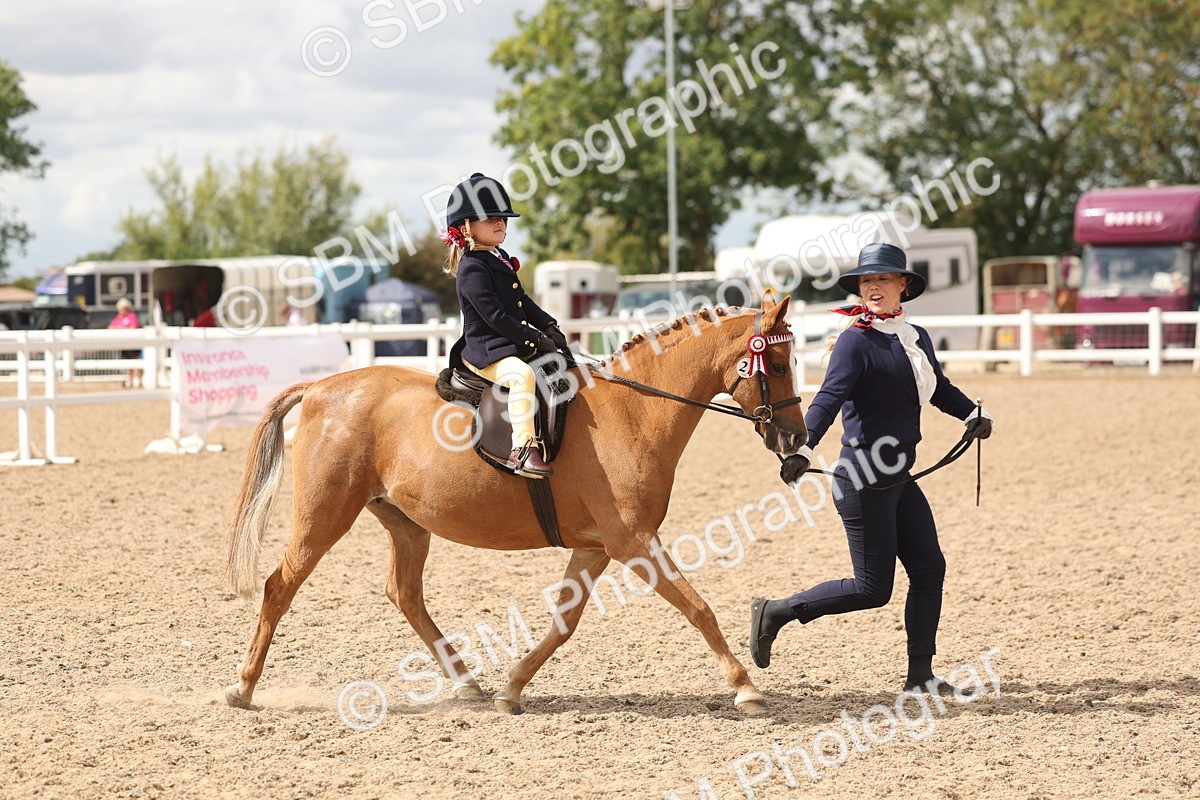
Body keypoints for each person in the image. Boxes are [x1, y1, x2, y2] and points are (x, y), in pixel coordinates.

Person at [749, 242, 995, 694]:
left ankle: (920, 676)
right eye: (867, 281)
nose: (874, 287)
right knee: (871, 589)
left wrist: (970, 415)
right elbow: (829, 398)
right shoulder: (855, 341)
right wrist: (801, 449)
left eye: (882, 279)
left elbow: (937, 388)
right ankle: (778, 611)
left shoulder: (913, 336)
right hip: (862, 479)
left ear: (902, 284)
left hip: (900, 478)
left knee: (929, 570)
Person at [443, 172, 569, 478]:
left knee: (561, 365)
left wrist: (550, 326)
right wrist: (535, 338)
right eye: (490, 219)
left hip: (509, 344)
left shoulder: (497, 258)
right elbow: (496, 318)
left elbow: (523, 301)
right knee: (522, 375)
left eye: (503, 218)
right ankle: (522, 449)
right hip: (486, 352)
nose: (500, 223)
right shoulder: (472, 268)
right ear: (466, 227)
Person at [108, 298, 144, 388]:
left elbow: (134, 327)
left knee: (136, 362)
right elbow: (110, 327)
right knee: (128, 363)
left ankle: (139, 380)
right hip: (124, 344)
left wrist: (120, 329)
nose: (122, 310)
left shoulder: (132, 316)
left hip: (134, 343)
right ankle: (130, 380)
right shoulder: (119, 317)